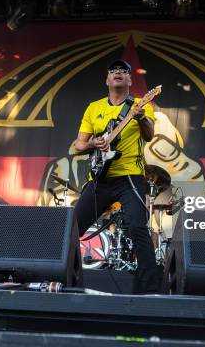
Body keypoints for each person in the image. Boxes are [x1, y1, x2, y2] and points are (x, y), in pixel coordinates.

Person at [73, 59, 160, 293]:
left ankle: (151, 288)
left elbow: (150, 135)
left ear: (130, 80)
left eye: (124, 71)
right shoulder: (94, 107)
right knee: (72, 227)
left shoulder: (142, 105)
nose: (118, 73)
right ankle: (65, 276)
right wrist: (93, 142)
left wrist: (140, 116)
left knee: (138, 228)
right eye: (113, 71)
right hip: (100, 179)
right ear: (107, 79)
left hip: (129, 177)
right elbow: (77, 145)